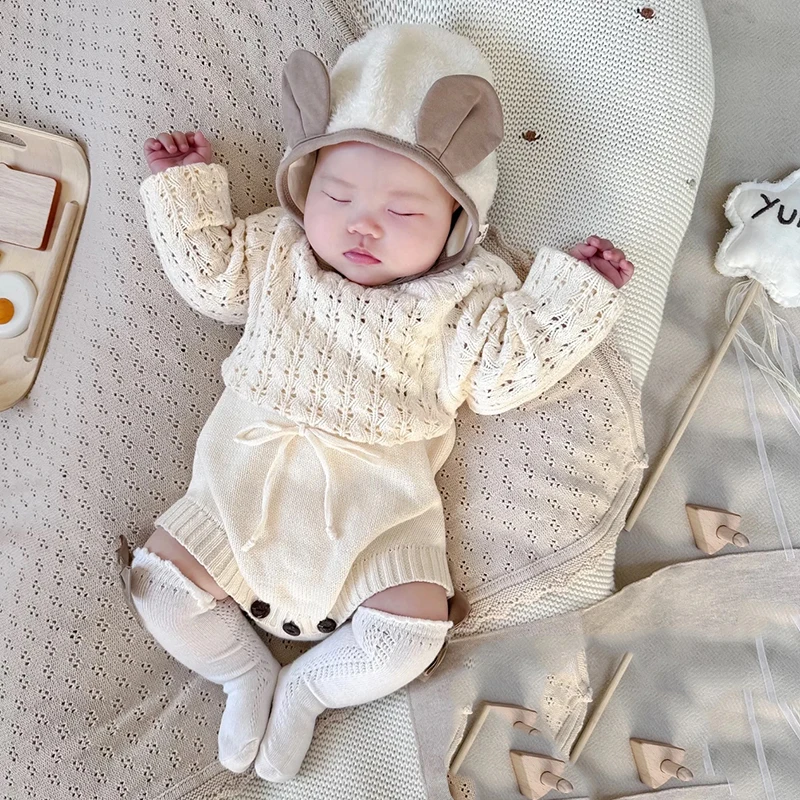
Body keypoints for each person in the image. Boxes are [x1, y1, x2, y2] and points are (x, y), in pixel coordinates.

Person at [128, 23, 634, 783]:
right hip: (241, 491)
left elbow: (503, 374)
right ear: (305, 189)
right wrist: (185, 188)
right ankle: (241, 672)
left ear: (457, 227)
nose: (362, 223)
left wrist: (575, 291)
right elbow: (208, 276)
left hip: (379, 513)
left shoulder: (460, 300)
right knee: (161, 590)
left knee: (411, 635)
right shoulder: (277, 253)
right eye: (337, 196)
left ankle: (309, 689)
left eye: (404, 213)